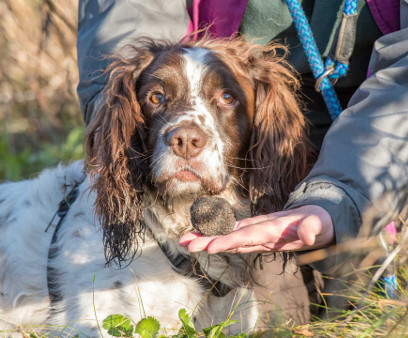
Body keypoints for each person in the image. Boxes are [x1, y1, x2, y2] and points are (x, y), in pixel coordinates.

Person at [77, 0, 408, 323]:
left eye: (226, 96)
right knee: (280, 316)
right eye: (157, 97)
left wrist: (343, 195)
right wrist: (122, 138)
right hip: (240, 176)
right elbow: (126, 25)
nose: (187, 139)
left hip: (355, 156)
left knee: (356, 312)